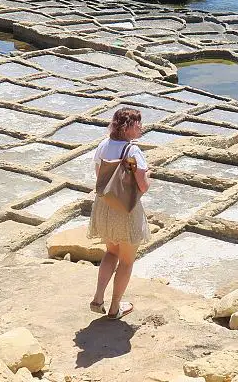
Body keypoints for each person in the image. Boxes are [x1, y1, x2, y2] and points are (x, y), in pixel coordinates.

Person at [87, 107, 152, 319]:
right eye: (137, 123)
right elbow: (142, 186)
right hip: (126, 209)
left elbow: (100, 177)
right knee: (126, 260)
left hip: (105, 206)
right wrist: (149, 177)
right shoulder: (133, 152)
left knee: (111, 252)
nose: (141, 127)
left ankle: (98, 298)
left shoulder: (103, 145)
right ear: (127, 127)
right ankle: (115, 307)